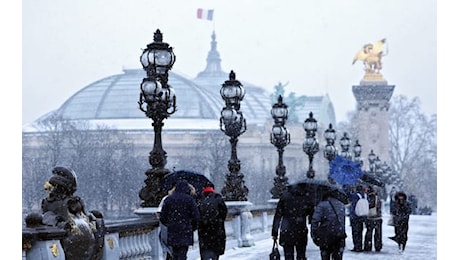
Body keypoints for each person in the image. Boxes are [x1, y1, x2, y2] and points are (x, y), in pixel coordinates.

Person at [271, 184, 315, 260]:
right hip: (301, 231)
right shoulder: (304, 198)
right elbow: (311, 214)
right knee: (301, 255)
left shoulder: (284, 197)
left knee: (288, 255)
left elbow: (277, 216)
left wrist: (274, 232)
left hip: (286, 231)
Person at [160, 180, 200, 260]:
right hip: (185, 230)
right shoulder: (190, 200)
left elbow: (163, 217)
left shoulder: (169, 199)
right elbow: (196, 216)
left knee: (174, 252)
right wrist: (193, 227)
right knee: (183, 252)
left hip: (173, 230)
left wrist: (169, 224)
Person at [311, 190, 347, 260]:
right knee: (337, 257)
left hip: (326, 236)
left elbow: (315, 220)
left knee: (325, 256)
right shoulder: (341, 204)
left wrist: (314, 234)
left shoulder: (321, 205)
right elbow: (342, 221)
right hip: (339, 236)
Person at [197, 184, 228, 260]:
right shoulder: (217, 197)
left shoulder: (200, 198)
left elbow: (196, 214)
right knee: (215, 248)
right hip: (216, 228)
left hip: (203, 229)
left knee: (205, 248)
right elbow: (224, 211)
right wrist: (219, 220)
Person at [347, 184, 367, 252]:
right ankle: (360, 246)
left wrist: (347, 188)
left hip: (355, 216)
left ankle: (356, 246)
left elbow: (348, 195)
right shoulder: (364, 196)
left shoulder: (355, 195)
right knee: (360, 232)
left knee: (355, 232)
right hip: (362, 216)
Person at [158, 186, 176, 260]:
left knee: (165, 242)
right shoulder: (187, 199)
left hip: (167, 227)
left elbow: (160, 212)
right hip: (180, 229)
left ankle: (169, 255)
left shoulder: (166, 199)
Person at [363, 186, 382, 252]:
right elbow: (379, 207)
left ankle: (368, 246)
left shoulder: (368, 198)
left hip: (370, 218)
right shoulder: (377, 198)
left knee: (369, 233)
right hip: (378, 218)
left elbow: (368, 206)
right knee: (378, 233)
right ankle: (378, 246)